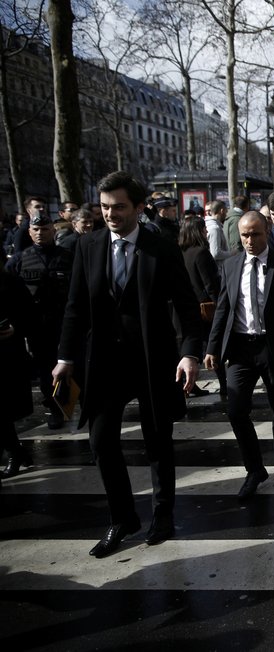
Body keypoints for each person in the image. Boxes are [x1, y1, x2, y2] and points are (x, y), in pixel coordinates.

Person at [53, 170, 203, 558]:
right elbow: (75, 308)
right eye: (104, 207)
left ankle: (163, 514)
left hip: (153, 361)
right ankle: (122, 518)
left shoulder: (162, 247)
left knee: (157, 442)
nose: (110, 214)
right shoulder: (88, 245)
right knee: (101, 442)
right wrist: (65, 358)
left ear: (138, 207)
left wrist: (189, 352)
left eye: (118, 207)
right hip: (103, 362)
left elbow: (187, 306)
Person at [204, 211, 274, 497]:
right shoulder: (231, 265)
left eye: (255, 234)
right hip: (240, 348)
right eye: (245, 235)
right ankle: (254, 469)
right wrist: (211, 348)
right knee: (235, 410)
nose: (249, 240)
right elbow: (223, 307)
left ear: (267, 230)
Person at [6, 212, 74, 429]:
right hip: (36, 325)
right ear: (29, 232)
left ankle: (68, 403)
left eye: (45, 229)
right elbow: (8, 295)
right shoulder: (20, 260)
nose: (40, 233)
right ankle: (55, 407)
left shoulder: (68, 257)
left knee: (71, 365)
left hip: (65, 322)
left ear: (53, 231)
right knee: (46, 370)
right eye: (36, 229)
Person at [179, 216, 222, 399]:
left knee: (191, 348)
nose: (206, 232)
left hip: (187, 306)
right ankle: (225, 382)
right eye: (204, 229)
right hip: (206, 308)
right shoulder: (201, 252)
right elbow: (210, 283)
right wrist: (220, 305)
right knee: (214, 346)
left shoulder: (182, 251)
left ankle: (188, 384)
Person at [0, 267, 36, 483]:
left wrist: (15, 328)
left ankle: (15, 452)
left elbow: (29, 315)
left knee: (1, 410)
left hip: (6, 355)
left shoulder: (10, 282)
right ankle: (15, 450)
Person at [204, 200, 232, 265]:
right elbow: (215, 254)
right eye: (226, 211)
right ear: (222, 211)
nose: (226, 213)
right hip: (217, 269)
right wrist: (232, 253)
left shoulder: (210, 225)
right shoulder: (214, 228)